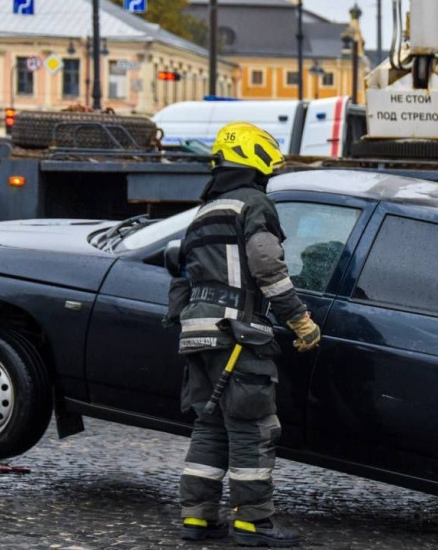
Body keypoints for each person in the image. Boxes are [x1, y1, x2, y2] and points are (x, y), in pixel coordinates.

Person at [167, 122, 321, 547]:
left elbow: (180, 274)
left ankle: (197, 518)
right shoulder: (254, 204)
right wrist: (300, 321)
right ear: (254, 161)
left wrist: (180, 321)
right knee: (254, 427)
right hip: (237, 333)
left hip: (198, 333)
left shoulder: (203, 211)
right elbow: (267, 265)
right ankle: (253, 522)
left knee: (210, 425)